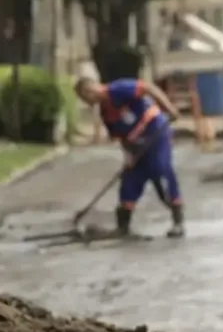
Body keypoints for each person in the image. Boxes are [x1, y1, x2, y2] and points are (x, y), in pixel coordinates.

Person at [75, 76, 185, 238]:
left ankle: (178, 222)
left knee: (160, 170)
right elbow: (121, 136)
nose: (88, 101)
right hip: (136, 145)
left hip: (156, 134)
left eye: (87, 96)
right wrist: (128, 155)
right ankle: (123, 227)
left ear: (92, 89)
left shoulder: (119, 89)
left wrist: (169, 109)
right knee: (130, 179)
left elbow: (148, 88)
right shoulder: (106, 113)